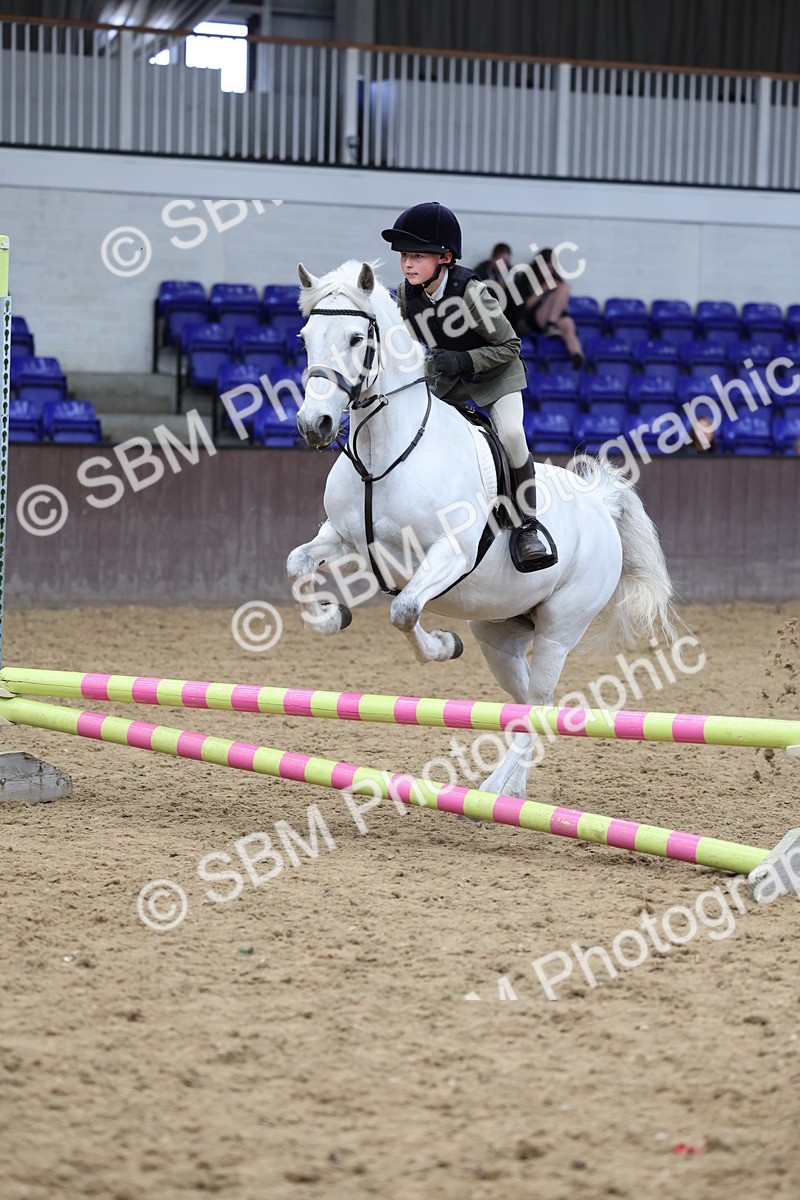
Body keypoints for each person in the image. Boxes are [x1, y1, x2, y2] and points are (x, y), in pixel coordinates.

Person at [381, 201, 551, 568]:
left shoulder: (471, 293)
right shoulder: (408, 295)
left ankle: (527, 526)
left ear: (444, 257)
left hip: (496, 375)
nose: (407, 264)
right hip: (450, 379)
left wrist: (463, 360)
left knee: (511, 435)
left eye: (417, 256)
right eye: (404, 256)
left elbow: (510, 346)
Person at [518, 248, 584, 369]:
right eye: (547, 267)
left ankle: (576, 354)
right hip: (537, 317)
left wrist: (560, 298)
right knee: (564, 288)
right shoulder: (527, 278)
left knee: (568, 324)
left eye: (552, 268)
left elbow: (563, 305)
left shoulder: (556, 278)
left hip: (555, 316)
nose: (550, 271)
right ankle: (550, 324)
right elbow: (526, 305)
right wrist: (544, 288)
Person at [473, 242, 524, 328]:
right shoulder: (481, 270)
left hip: (507, 309)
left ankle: (519, 323)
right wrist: (499, 286)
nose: (504, 265)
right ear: (493, 258)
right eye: (501, 261)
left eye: (506, 262)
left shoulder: (510, 271)